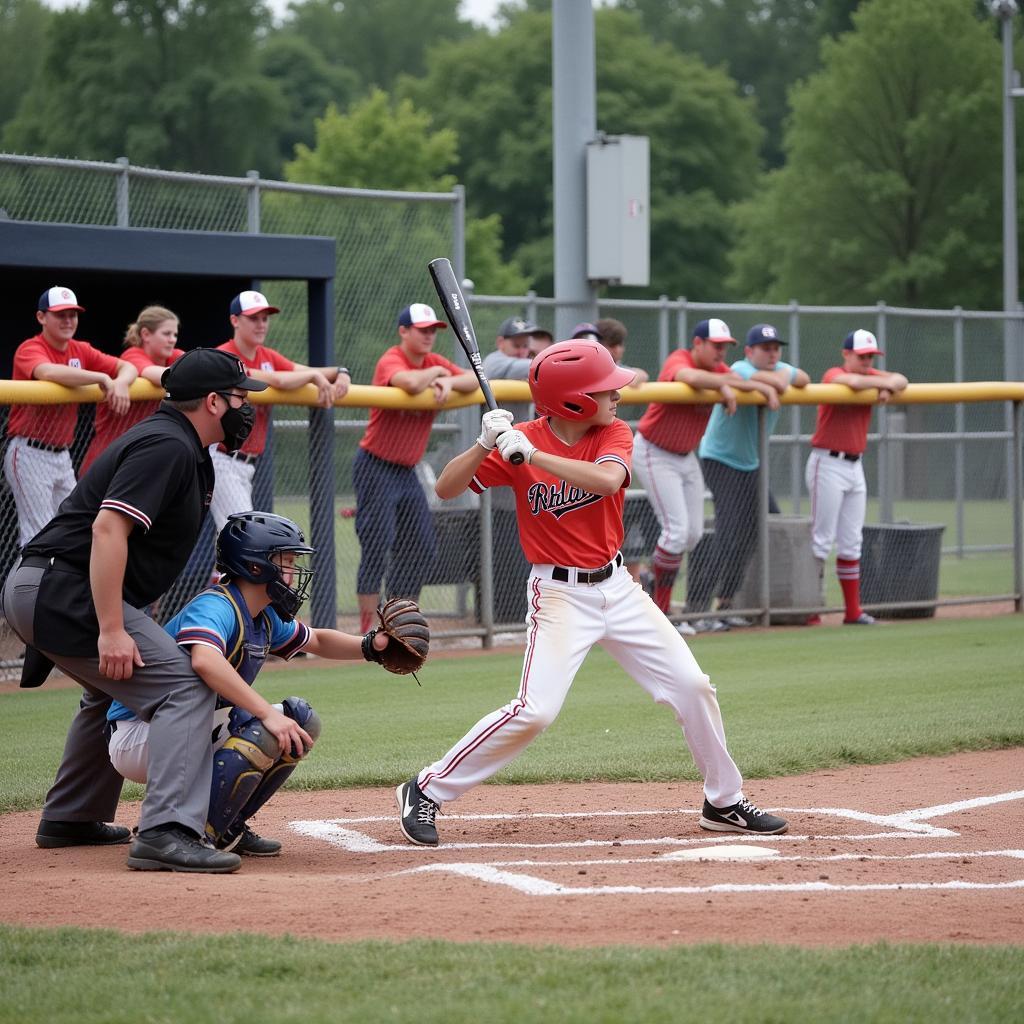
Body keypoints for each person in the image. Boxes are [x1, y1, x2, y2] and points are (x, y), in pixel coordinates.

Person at [394, 338, 788, 847]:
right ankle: (425, 789)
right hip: (558, 596)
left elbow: (606, 481)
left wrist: (533, 455)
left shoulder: (614, 432)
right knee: (536, 711)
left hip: (619, 588)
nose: (617, 396)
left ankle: (723, 801)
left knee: (693, 687)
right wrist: (483, 445)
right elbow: (446, 490)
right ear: (572, 400)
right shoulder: (519, 441)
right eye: (605, 390)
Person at [1, 347, 279, 874]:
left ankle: (72, 817)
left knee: (111, 684)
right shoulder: (167, 444)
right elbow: (108, 528)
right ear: (214, 402)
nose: (248, 410)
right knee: (184, 685)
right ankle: (167, 831)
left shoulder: (181, 445)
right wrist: (110, 628)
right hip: (61, 590)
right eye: (242, 398)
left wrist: (124, 622)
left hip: (52, 586)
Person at [104, 511, 390, 859]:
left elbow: (316, 640)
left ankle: (225, 827)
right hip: (142, 732)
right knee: (263, 726)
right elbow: (204, 660)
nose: (293, 571)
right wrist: (266, 715)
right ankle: (189, 832)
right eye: (285, 561)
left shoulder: (264, 613)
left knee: (300, 720)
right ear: (256, 567)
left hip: (184, 729)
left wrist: (372, 647)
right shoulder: (217, 605)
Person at [630, 318, 780, 635]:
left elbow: (734, 377)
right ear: (698, 343)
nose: (721, 352)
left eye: (726, 347)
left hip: (685, 457)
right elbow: (690, 376)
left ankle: (650, 583)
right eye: (716, 346)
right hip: (654, 451)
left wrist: (733, 384)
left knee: (694, 534)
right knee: (675, 532)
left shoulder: (721, 371)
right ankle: (662, 614)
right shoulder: (680, 358)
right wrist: (726, 385)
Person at [354, 303, 479, 632]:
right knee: (377, 543)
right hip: (375, 465)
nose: (428, 336)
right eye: (421, 330)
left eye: (432, 331)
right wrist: (439, 375)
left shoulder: (434, 362)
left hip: (406, 471)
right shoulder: (393, 358)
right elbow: (407, 382)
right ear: (404, 332)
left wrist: (449, 382)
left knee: (422, 544)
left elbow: (474, 380)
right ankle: (368, 626)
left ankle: (397, 620)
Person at [688, 324, 810, 631]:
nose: (771, 354)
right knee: (728, 532)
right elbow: (756, 379)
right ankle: (696, 608)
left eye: (775, 349)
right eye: (764, 348)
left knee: (755, 531)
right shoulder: (739, 367)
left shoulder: (776, 368)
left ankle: (726, 604)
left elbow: (802, 378)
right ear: (749, 351)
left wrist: (775, 380)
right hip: (720, 459)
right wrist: (775, 382)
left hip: (752, 463)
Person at [4, 286, 137, 548]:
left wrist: (120, 382)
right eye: (60, 315)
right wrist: (100, 377)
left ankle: (59, 588)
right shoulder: (30, 348)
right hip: (30, 452)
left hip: (62, 455)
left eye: (72, 315)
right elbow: (48, 373)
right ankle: (28, 590)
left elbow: (127, 367)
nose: (68, 321)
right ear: (42, 317)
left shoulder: (80, 349)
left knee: (76, 529)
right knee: (38, 537)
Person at [211, 290, 350, 529]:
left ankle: (222, 569)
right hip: (221, 459)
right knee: (244, 534)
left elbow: (307, 371)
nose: (261, 324)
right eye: (253, 318)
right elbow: (279, 380)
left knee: (234, 540)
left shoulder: (268, 355)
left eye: (265, 318)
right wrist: (315, 375)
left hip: (245, 465)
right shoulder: (225, 355)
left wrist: (342, 372)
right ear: (235, 320)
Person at [806, 329, 909, 625]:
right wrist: (883, 384)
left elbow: (901, 380)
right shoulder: (833, 374)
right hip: (826, 462)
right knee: (821, 540)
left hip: (854, 465)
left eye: (871, 357)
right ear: (846, 354)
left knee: (852, 541)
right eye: (862, 356)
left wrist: (887, 383)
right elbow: (849, 382)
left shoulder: (872, 376)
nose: (866, 362)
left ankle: (852, 611)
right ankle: (810, 609)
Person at [80, 305, 185, 476]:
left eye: (175, 334)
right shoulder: (133, 355)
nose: (172, 339)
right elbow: (159, 375)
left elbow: (200, 369)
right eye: (166, 334)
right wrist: (192, 375)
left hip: (139, 459)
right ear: (145, 335)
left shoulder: (173, 357)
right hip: (107, 458)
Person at [482, 316, 554, 423]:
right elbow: (527, 367)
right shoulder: (493, 361)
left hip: (519, 430)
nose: (521, 351)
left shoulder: (527, 364)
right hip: (492, 434)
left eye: (525, 346)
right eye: (516, 346)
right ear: (500, 343)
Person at [595, 316, 649, 385]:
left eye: (619, 344)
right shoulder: (590, 368)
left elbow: (642, 375)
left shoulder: (618, 368)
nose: (617, 350)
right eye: (611, 345)